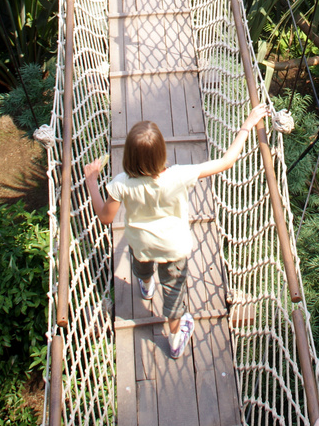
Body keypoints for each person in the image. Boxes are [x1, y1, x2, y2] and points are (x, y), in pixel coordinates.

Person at [84, 102, 268, 356]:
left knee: (142, 265)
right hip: (173, 249)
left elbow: (105, 217)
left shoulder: (121, 183)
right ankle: (174, 340)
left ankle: (146, 286)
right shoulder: (179, 175)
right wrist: (247, 125)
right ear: (162, 153)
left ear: (128, 155)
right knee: (173, 296)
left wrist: (92, 180)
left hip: (141, 245)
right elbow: (227, 162)